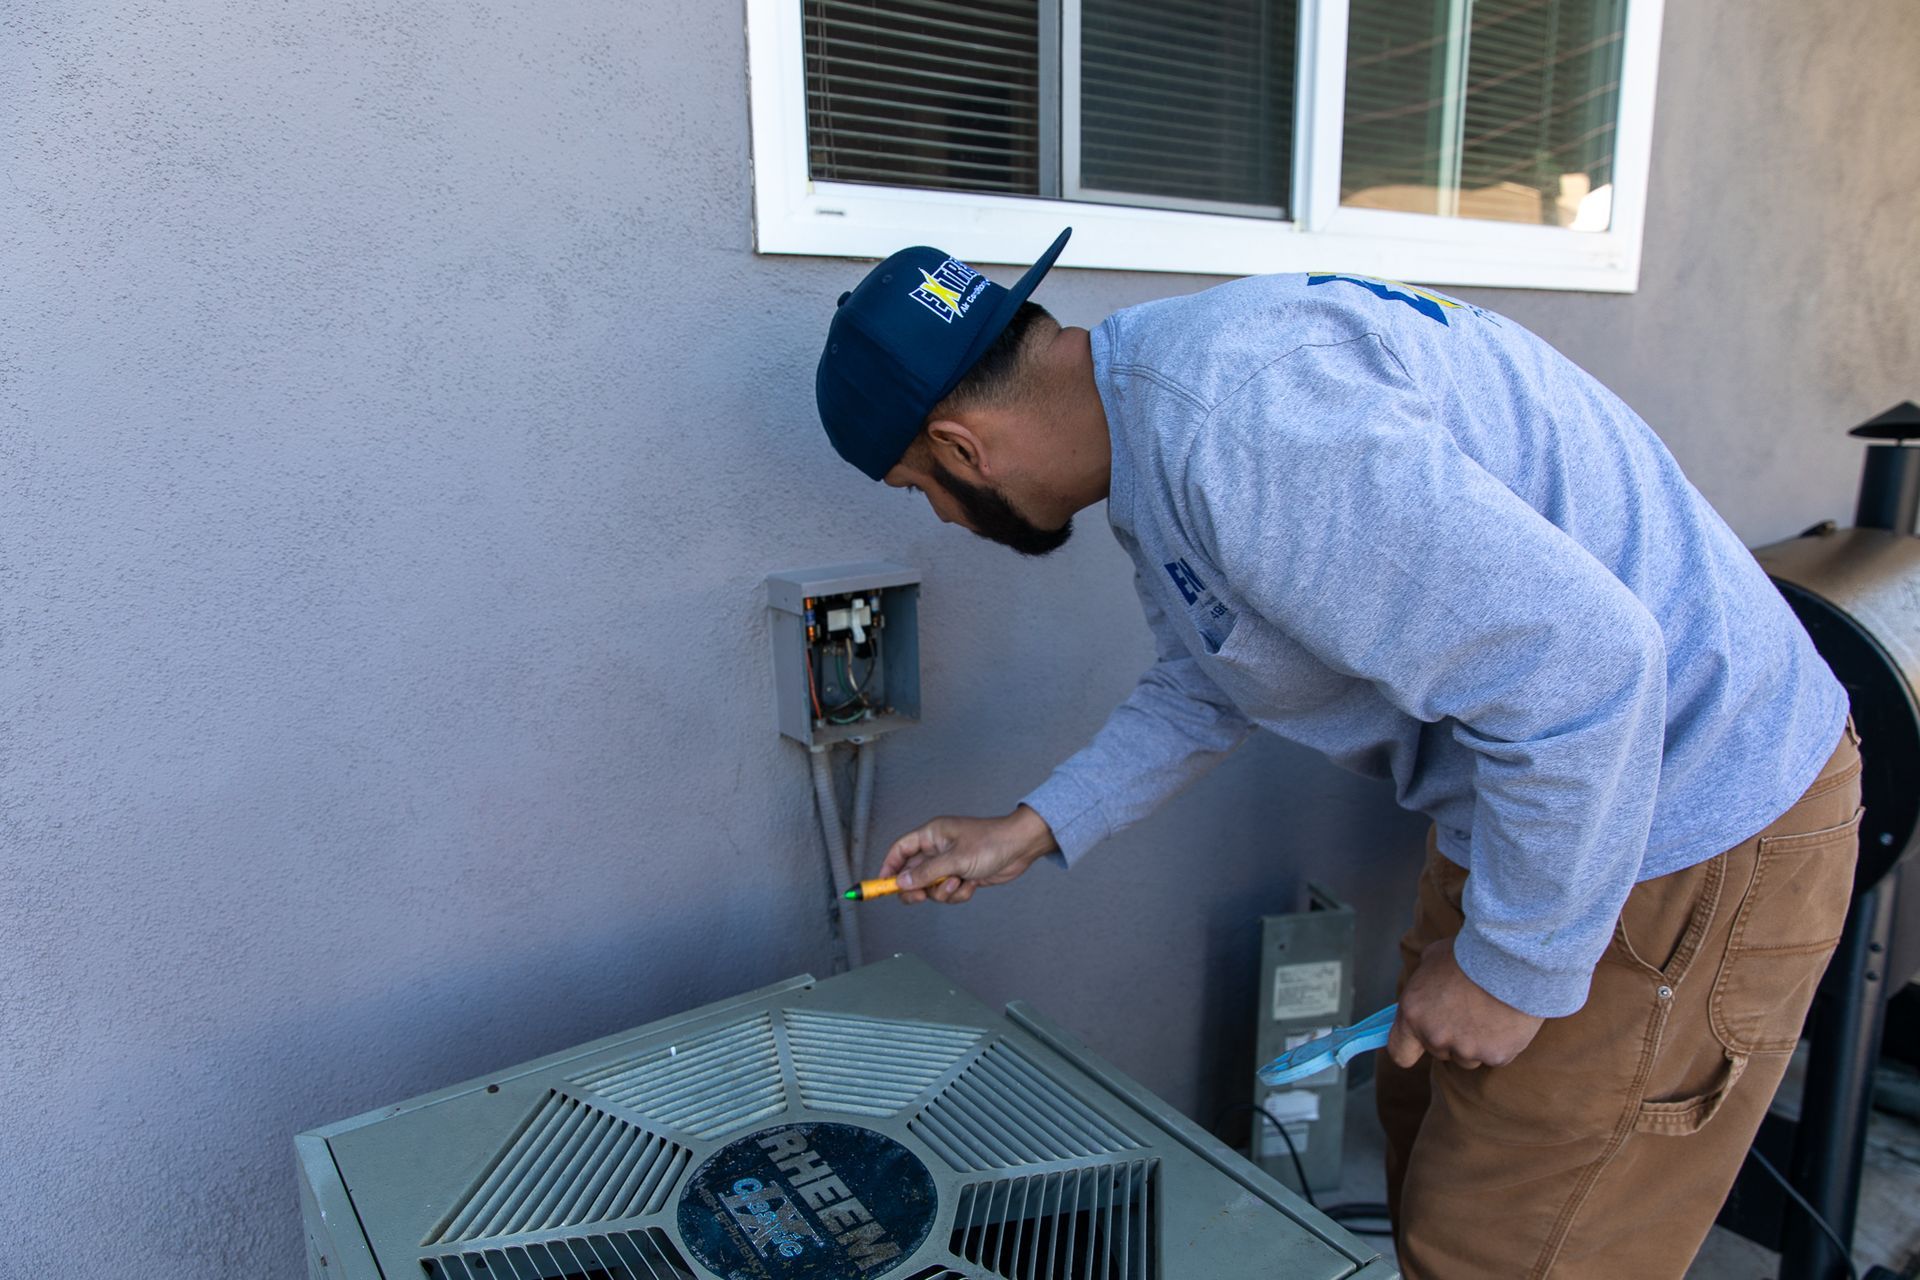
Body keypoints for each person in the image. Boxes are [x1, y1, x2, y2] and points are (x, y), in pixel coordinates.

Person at [812, 228, 1860, 1278]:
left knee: (1507, 1243)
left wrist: (1513, 964)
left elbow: (1587, 665)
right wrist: (1027, 829)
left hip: (1685, 814)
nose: (945, 517)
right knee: (1427, 1144)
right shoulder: (1155, 424)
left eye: (922, 491)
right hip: (1542, 804)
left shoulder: (1245, 428)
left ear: (961, 445)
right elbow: (1207, 676)